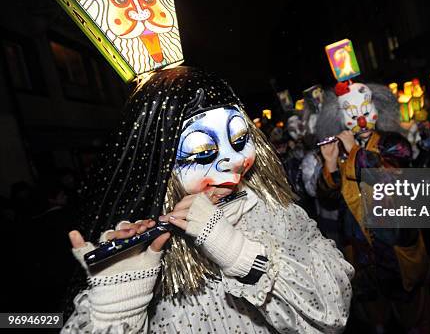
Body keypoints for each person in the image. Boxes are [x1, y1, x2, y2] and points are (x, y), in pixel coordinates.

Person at [62, 67, 354, 333]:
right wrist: (118, 310)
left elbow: (333, 312)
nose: (235, 160)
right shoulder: (137, 243)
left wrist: (242, 255)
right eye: (203, 151)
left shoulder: (273, 211)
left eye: (240, 139)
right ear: (157, 162)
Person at [316, 81, 430, 333]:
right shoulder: (344, 152)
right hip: (361, 249)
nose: (360, 121)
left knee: (409, 303)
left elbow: (387, 172)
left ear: (377, 111)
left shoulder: (393, 143)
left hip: (394, 242)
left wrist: (353, 150)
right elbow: (328, 198)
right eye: (353, 115)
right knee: (372, 306)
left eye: (366, 113)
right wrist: (331, 164)